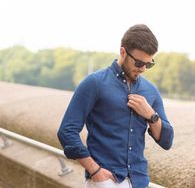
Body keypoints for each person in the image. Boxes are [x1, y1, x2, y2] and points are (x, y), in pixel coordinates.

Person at [57, 24, 174, 188]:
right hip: (105, 180)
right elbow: (66, 130)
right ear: (123, 51)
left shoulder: (150, 90)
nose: (143, 69)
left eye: (149, 64)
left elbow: (167, 141)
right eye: (139, 63)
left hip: (139, 181)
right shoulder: (95, 83)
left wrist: (151, 115)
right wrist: (95, 171)